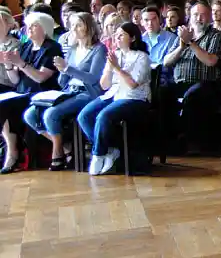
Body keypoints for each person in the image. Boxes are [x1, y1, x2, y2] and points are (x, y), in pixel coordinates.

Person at [23, 12, 106, 171]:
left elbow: (93, 79)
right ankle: (65, 147)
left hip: (88, 93)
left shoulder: (98, 50)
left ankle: (57, 153)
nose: (74, 29)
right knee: (30, 114)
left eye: (79, 25)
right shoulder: (73, 49)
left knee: (50, 114)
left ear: (89, 28)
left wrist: (68, 68)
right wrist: (62, 71)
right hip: (70, 90)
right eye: (72, 25)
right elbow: (63, 81)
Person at [77, 22, 152, 176]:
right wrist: (110, 68)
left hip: (134, 98)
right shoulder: (114, 55)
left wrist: (117, 68)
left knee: (104, 116)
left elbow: (132, 84)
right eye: (116, 34)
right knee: (84, 116)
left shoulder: (142, 57)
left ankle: (97, 155)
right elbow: (104, 86)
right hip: (113, 94)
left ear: (132, 38)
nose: (117, 37)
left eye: (122, 34)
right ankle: (110, 149)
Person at [0, 12, 62, 173]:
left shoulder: (52, 47)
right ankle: (12, 150)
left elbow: (41, 78)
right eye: (28, 25)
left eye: (34, 25)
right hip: (21, 91)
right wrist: (8, 64)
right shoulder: (26, 46)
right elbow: (14, 80)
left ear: (45, 28)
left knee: (5, 107)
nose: (29, 29)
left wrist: (20, 63)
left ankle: (13, 153)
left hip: (42, 93)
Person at [162, 2, 221, 152]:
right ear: (189, 17)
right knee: (162, 93)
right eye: (195, 15)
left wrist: (191, 43)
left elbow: (211, 61)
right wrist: (181, 45)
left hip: (207, 84)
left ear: (210, 17)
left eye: (202, 15)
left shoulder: (216, 36)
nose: (198, 18)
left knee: (193, 95)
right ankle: (167, 140)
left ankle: (190, 141)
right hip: (180, 83)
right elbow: (166, 61)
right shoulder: (182, 36)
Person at [140, 6, 178, 84]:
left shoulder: (172, 38)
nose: (150, 23)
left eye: (153, 19)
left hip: (164, 79)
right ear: (142, 22)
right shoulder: (140, 40)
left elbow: (172, 64)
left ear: (159, 20)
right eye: (146, 20)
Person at [0, 9, 20, 91]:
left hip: (6, 86)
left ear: (9, 25)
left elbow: (15, 81)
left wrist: (7, 64)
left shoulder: (15, 45)